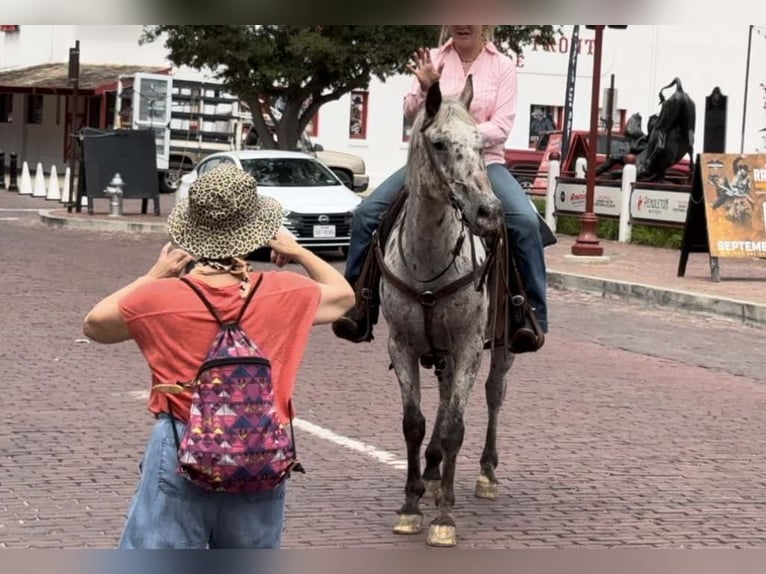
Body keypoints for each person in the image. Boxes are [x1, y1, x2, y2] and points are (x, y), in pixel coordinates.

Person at [82, 163, 355, 549]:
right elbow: (344, 296)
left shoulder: (158, 298)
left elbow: (95, 325)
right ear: (255, 232)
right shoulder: (286, 292)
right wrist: (298, 252)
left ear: (192, 234)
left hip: (180, 444)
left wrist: (156, 274)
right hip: (260, 447)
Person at [332, 25, 548, 352]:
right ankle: (357, 305)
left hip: (483, 162)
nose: (463, 22)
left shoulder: (502, 65)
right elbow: (409, 113)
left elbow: (502, 126)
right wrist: (423, 89)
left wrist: (458, 132)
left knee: (525, 222)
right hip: (431, 163)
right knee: (367, 214)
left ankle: (529, 314)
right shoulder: (433, 58)